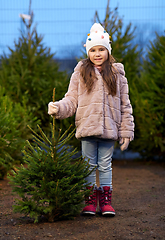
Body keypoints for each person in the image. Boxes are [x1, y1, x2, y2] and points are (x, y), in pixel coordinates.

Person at [48, 23, 134, 216]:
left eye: (101, 49)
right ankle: (89, 201)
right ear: (88, 51)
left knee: (105, 164)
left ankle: (105, 203)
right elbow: (71, 99)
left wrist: (126, 131)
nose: (97, 53)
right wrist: (58, 108)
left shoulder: (117, 74)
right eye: (93, 50)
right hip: (87, 128)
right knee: (87, 165)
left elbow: (125, 105)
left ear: (108, 50)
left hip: (108, 129)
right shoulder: (80, 72)